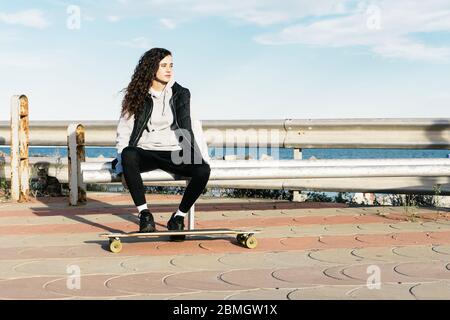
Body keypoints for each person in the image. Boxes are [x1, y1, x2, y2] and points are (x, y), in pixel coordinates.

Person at [111, 48, 211, 241]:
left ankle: (178, 218)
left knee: (203, 170)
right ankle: (144, 214)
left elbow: (194, 126)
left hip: (175, 152)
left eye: (171, 65)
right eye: (163, 65)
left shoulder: (181, 93)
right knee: (129, 153)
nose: (169, 70)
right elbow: (124, 131)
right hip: (146, 152)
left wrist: (201, 158)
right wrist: (122, 164)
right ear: (151, 68)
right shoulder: (137, 95)